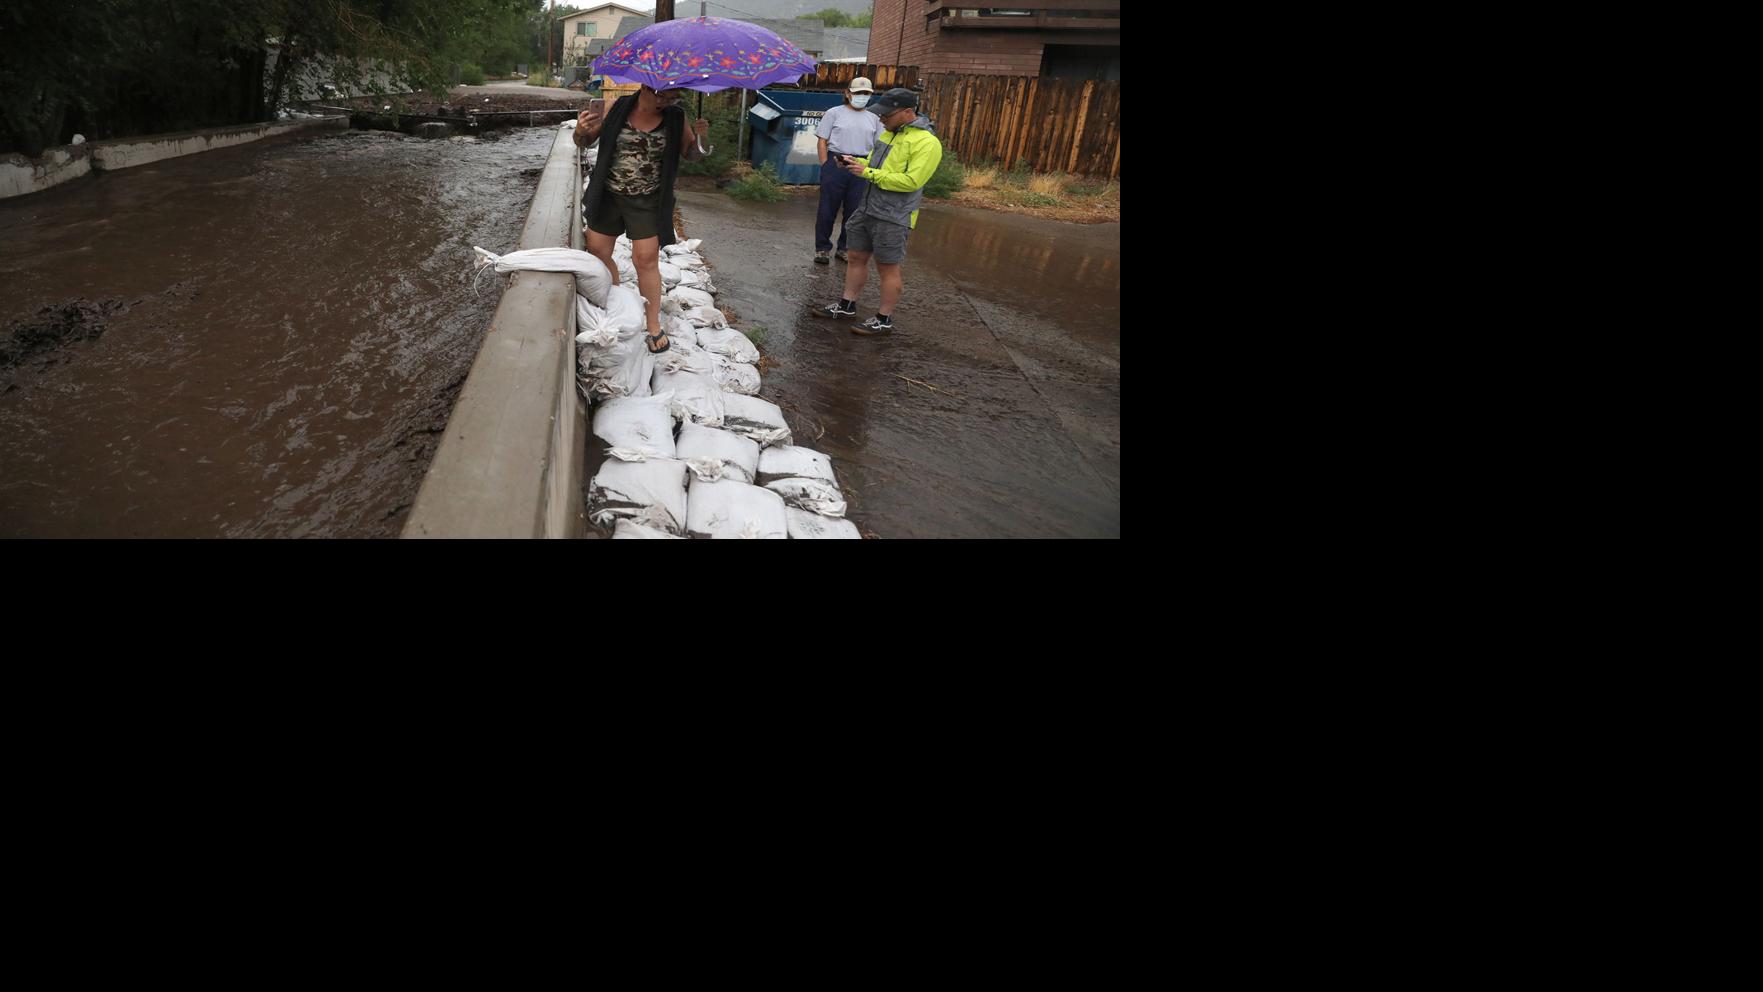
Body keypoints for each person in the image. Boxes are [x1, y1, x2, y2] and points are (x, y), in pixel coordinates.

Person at [574, 85, 710, 354]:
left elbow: (692, 155)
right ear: (645, 88)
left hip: (648, 201)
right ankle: (616, 302)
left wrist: (703, 139)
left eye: (672, 97)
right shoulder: (617, 108)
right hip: (609, 195)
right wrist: (581, 129)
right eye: (661, 95)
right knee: (598, 252)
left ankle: (653, 325)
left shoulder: (675, 117)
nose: (665, 102)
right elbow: (584, 142)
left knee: (646, 260)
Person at [813, 88, 942, 336]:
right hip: (868, 207)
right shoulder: (889, 135)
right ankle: (847, 305)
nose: (882, 119)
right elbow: (871, 163)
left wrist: (868, 173)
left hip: (895, 215)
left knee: (887, 267)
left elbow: (912, 181)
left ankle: (884, 319)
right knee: (855, 258)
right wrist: (854, 162)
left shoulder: (927, 143)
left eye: (887, 115)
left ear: (907, 112)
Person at [813, 77, 884, 265]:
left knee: (854, 211)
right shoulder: (834, 113)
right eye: (858, 93)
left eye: (866, 94)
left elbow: (879, 145)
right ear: (847, 93)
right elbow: (822, 140)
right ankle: (822, 248)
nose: (862, 96)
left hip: (861, 166)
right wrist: (824, 165)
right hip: (836, 162)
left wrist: (870, 169)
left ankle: (844, 248)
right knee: (827, 209)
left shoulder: (874, 119)